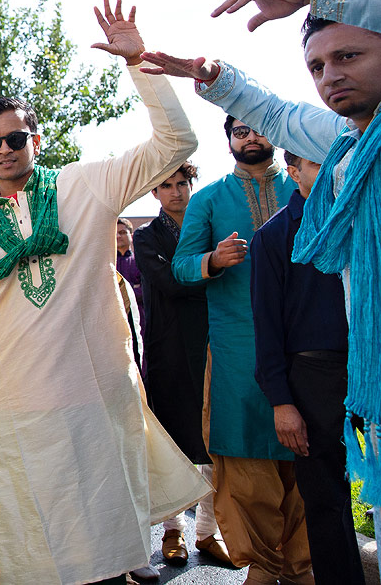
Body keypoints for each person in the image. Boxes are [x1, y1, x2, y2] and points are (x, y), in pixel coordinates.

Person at [0, 0, 209, 584]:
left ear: (35, 140)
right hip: (12, 406)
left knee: (102, 548)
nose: (5, 149)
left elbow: (176, 145)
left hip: (89, 398)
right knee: (35, 554)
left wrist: (138, 62)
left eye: (15, 137)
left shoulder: (86, 186)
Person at [141, 0, 381, 510]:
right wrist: (215, 78)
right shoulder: (345, 139)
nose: (330, 76)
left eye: (349, 56)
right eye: (317, 65)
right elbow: (273, 111)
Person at [171, 117, 310, 584]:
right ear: (229, 141)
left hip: (305, 344)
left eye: (256, 129)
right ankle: (263, 566)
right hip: (236, 346)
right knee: (248, 453)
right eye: (239, 131)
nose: (250, 137)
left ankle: (304, 564)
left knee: (308, 456)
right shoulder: (210, 199)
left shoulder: (305, 185)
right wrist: (212, 260)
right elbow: (181, 267)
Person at [251, 151, 365, 584]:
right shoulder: (274, 236)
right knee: (326, 503)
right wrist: (282, 402)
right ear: (293, 172)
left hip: (369, 370)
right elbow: (267, 326)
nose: (332, 168)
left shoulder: (364, 219)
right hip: (311, 382)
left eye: (334, 158)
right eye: (316, 162)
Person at [132, 163, 226, 566]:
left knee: (215, 441)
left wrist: (208, 264)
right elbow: (170, 282)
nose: (175, 192)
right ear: (154, 193)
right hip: (167, 347)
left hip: (215, 341)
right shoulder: (145, 236)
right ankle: (173, 532)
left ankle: (208, 530)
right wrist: (213, 265)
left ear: (192, 185)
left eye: (182, 184)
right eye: (165, 186)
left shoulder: (211, 226)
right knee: (173, 442)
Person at [115, 218, 144, 315]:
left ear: (131, 235)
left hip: (139, 317)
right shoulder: (108, 264)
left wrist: (121, 293)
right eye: (115, 233)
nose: (118, 236)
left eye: (122, 232)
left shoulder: (141, 261)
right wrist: (133, 287)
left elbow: (145, 290)